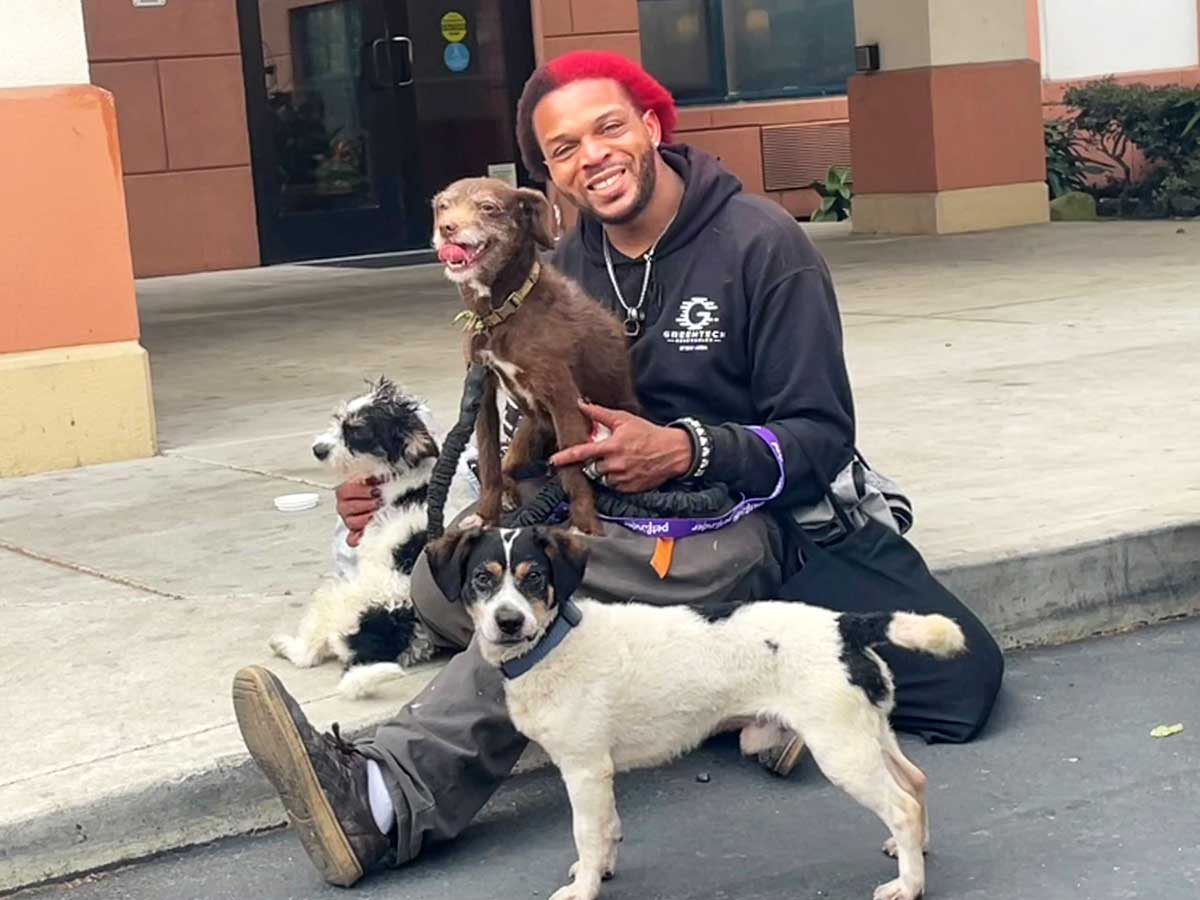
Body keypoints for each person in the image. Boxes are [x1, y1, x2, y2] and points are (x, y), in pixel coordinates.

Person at [232, 51, 1004, 888]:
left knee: (560, 624)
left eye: (607, 127)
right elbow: (519, 416)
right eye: (563, 148)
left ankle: (386, 794)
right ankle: (719, 699)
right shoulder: (557, 267)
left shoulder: (762, 246)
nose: (591, 155)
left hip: (740, 517)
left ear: (652, 125)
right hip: (606, 512)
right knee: (437, 584)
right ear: (548, 177)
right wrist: (404, 495)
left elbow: (820, 434)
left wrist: (686, 448)